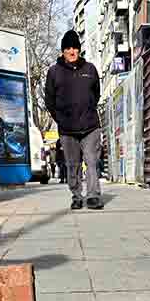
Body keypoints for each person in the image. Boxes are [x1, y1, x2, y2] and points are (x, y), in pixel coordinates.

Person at [45, 30, 104, 210]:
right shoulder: (54, 72)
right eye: (68, 48)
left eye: (75, 48)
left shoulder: (90, 69)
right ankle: (77, 195)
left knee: (92, 161)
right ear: (63, 51)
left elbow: (96, 93)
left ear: (79, 50)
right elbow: (49, 100)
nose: (72, 51)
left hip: (90, 126)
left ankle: (93, 196)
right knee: (72, 164)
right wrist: (61, 119)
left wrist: (87, 109)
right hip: (67, 128)